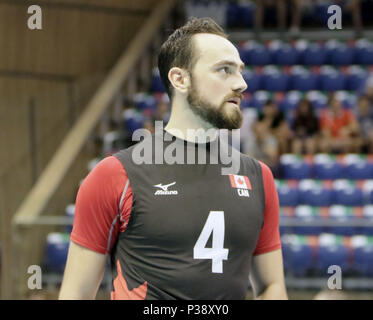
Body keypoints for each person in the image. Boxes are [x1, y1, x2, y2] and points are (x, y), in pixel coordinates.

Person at [59, 17, 287, 300]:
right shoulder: (115, 175)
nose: (240, 83)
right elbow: (77, 293)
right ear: (180, 79)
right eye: (224, 71)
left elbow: (271, 287)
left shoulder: (259, 177)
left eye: (240, 71)